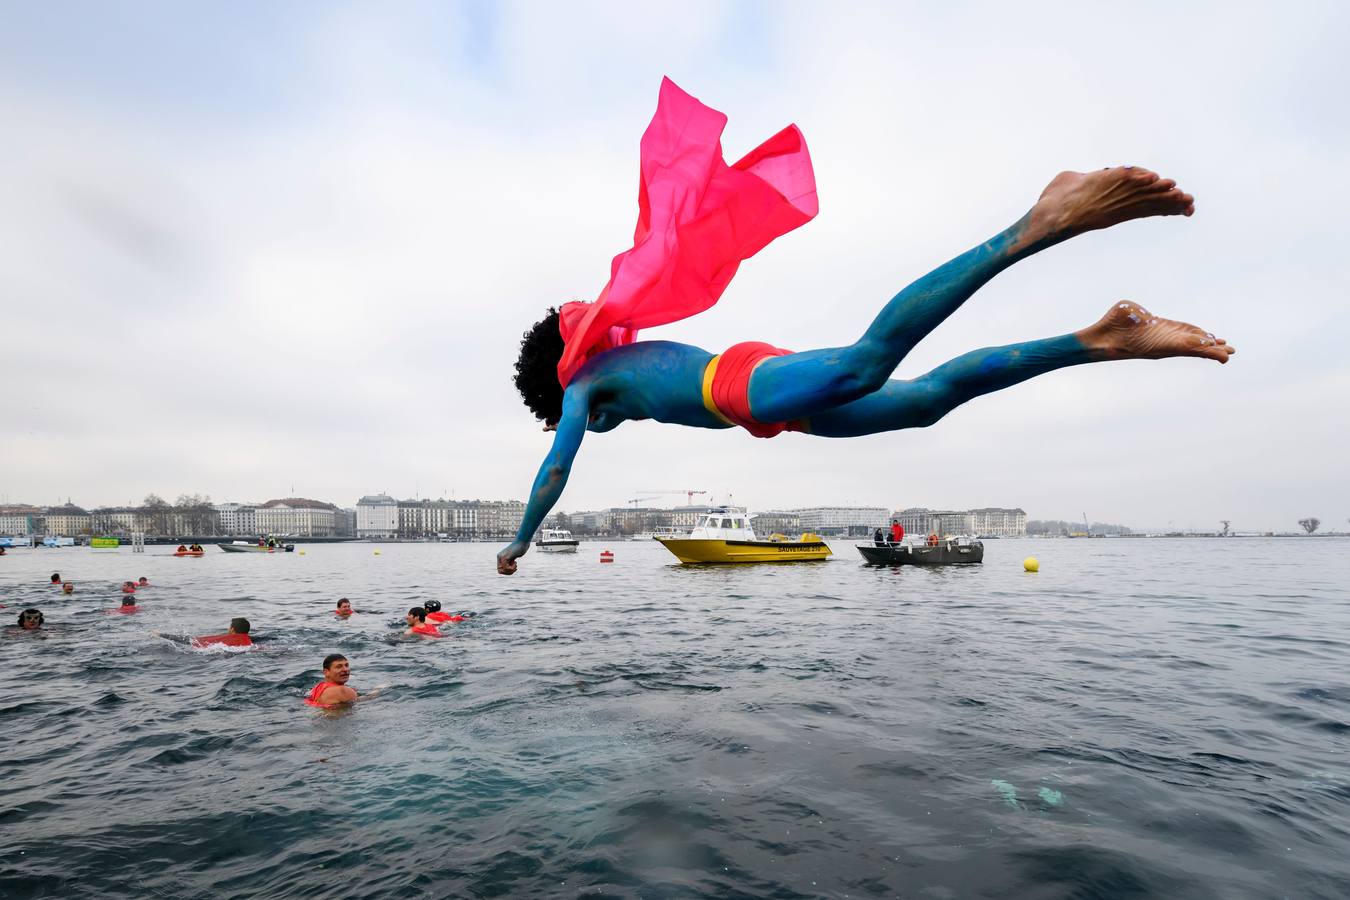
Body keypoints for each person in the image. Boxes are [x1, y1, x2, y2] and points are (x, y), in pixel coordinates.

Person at [495, 80, 1233, 575]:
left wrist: (521, 540)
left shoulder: (584, 386)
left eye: (570, 416)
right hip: (769, 407)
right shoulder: (610, 373)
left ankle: (1038, 223)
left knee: (867, 362)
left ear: (558, 379)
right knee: (925, 402)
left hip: (744, 385)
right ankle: (1102, 339)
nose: (587, 424)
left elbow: (556, 469)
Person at [304, 653, 373, 707]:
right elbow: (366, 700)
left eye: (346, 665)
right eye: (339, 667)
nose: (345, 669)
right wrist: (378, 691)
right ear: (326, 672)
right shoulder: (342, 690)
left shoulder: (318, 687)